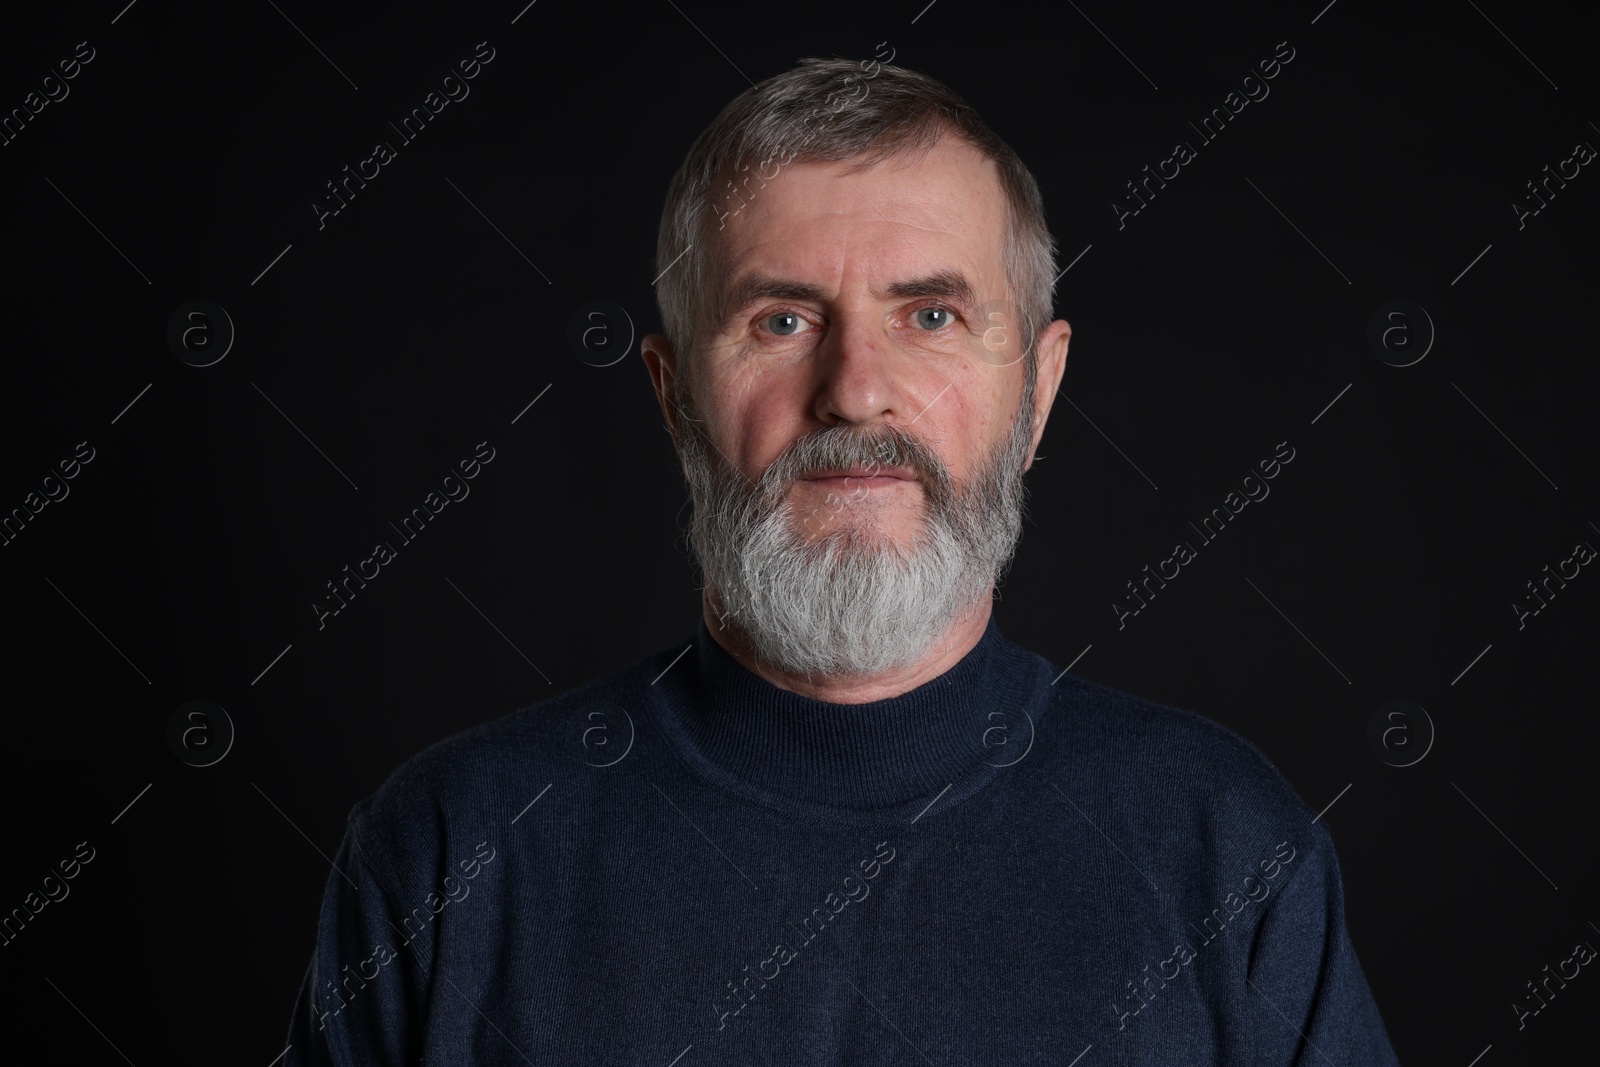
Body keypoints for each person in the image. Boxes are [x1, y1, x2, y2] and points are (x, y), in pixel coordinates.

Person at [284, 56, 1400, 1064]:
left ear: (1039, 393)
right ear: (675, 399)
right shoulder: (449, 853)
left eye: (930, 316)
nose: (856, 389)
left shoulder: (1227, 850)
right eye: (781, 321)